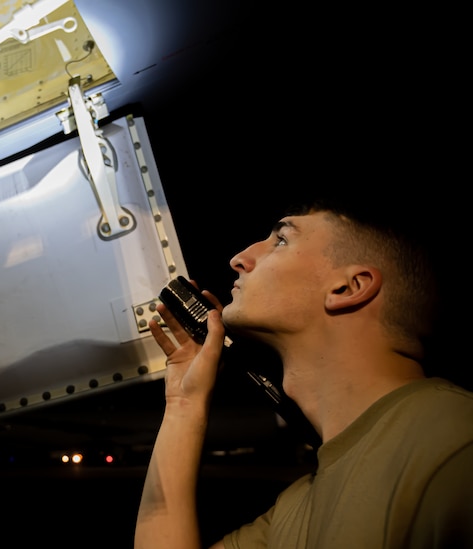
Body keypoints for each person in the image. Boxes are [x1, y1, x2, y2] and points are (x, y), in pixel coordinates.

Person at [134, 197, 473, 548]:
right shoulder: (293, 509)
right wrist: (183, 404)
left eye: (281, 240)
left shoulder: (454, 447)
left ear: (349, 287)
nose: (239, 259)